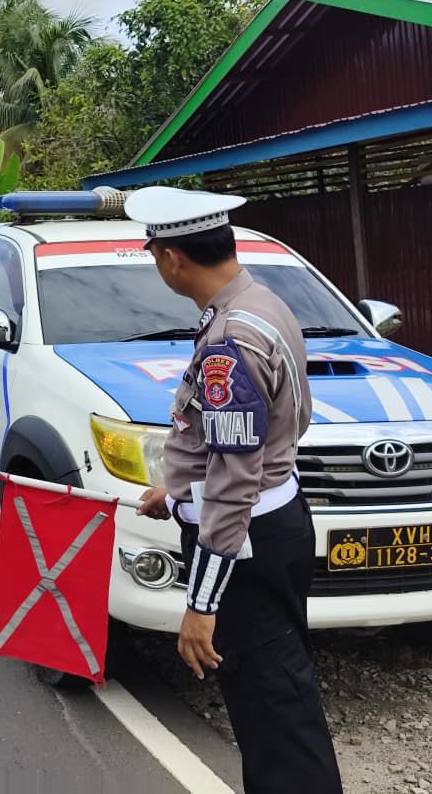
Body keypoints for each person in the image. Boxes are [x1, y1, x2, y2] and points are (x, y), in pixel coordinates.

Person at [127, 187, 342, 794]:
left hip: (246, 542)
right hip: (278, 521)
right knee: (278, 696)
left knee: (274, 711)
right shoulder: (259, 304)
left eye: (153, 253)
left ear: (172, 258)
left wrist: (201, 606)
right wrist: (174, 488)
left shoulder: (229, 342)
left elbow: (233, 479)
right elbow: (239, 441)